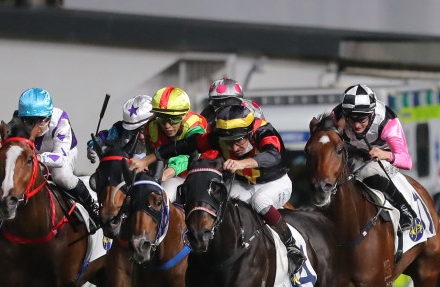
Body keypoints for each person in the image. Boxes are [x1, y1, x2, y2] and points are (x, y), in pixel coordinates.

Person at [131, 104, 305, 276]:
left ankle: (291, 246)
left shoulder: (263, 131)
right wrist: (146, 160)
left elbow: (273, 155)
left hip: (275, 182)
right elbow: (183, 146)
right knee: (224, 208)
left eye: (239, 141)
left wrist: (240, 163)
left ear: (250, 132)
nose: (234, 148)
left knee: (260, 201)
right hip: (245, 183)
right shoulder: (219, 137)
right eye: (228, 143)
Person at [0, 87, 101, 226]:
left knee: (61, 176)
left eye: (40, 121)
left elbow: (61, 158)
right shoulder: (15, 122)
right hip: (33, 157)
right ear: (22, 118)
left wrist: (39, 158)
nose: (35, 127)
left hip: (62, 154)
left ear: (49, 116)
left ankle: (91, 205)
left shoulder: (60, 120)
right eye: (29, 121)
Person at [330, 84, 416, 230]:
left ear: (372, 114)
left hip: (384, 155)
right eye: (352, 119)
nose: (356, 126)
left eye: (362, 120)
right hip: (356, 151)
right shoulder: (336, 115)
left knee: (367, 171)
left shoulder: (388, 123)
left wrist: (385, 155)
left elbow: (407, 162)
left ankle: (405, 210)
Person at [145, 86, 210, 196]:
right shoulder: (151, 126)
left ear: (184, 115)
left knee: (167, 192)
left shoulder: (195, 124)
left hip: (197, 174)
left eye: (174, 119)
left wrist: (169, 171)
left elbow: (190, 152)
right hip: (165, 175)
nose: (167, 126)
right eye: (162, 119)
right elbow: (150, 157)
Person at [86, 95, 154, 162]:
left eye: (144, 130)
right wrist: (93, 147)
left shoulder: (162, 132)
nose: (141, 137)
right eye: (134, 131)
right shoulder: (120, 130)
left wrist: (143, 158)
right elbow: (103, 137)